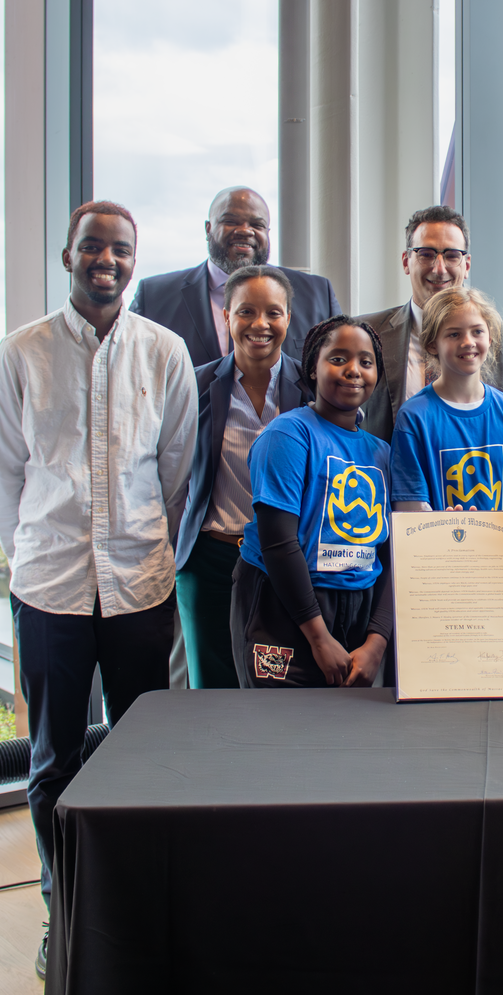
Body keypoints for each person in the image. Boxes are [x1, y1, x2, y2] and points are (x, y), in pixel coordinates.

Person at [0, 200, 197, 978]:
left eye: (120, 249)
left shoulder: (164, 351)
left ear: (133, 260)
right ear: (68, 256)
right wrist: (33, 559)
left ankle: (134, 906)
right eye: (93, 247)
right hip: (50, 590)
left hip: (140, 585)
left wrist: (149, 548)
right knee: (53, 760)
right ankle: (63, 905)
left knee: (141, 755)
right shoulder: (21, 352)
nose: (107, 260)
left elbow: (176, 467)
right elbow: (7, 473)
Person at [231, 316, 395, 688]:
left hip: (358, 607)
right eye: (338, 358)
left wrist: (377, 641)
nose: (353, 370)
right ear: (312, 368)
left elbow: (392, 554)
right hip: (286, 604)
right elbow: (278, 543)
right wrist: (318, 637)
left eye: (366, 362)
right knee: (285, 733)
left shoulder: (381, 453)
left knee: (346, 738)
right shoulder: (288, 434)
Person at [174, 265, 306, 688]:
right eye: (246, 311)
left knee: (279, 689)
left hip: (285, 561)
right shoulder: (195, 385)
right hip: (210, 562)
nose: (260, 324)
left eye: (273, 312)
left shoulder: (311, 387)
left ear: (289, 318)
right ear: (226, 317)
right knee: (210, 690)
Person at [355, 204, 503, 440]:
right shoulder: (367, 333)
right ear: (406, 261)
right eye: (426, 254)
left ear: (466, 266)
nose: (439, 269)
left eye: (451, 256)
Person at [129, 185, 341, 370]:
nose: (245, 231)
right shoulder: (154, 298)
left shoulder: (316, 293)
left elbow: (339, 366)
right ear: (208, 229)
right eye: (230, 221)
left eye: (257, 225)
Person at [391, 287, 503, 513]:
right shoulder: (414, 417)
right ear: (432, 344)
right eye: (454, 334)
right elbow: (409, 507)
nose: (468, 342)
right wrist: (448, 531)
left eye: (477, 331)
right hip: (438, 547)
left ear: (490, 338)